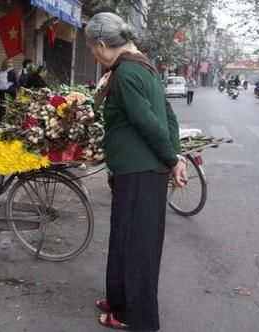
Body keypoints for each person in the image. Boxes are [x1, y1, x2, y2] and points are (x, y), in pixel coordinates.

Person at [85, 12, 187, 331]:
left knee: (137, 245)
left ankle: (135, 315)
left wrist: (172, 159)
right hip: (138, 171)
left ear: (102, 44)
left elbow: (148, 122)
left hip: (141, 173)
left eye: (91, 48)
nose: (92, 54)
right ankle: (119, 300)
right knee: (124, 239)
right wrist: (176, 155)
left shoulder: (127, 72)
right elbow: (168, 115)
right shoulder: (143, 64)